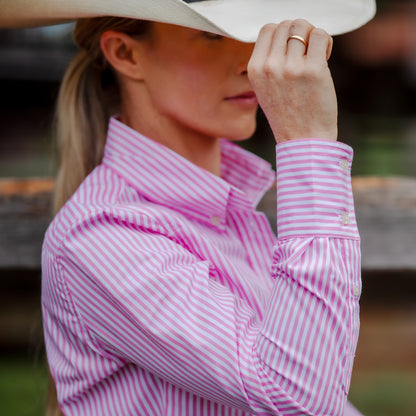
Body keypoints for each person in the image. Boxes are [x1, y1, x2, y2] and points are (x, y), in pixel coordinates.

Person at [1, 1, 376, 415]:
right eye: (214, 36)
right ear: (125, 54)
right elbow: (298, 398)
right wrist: (309, 144)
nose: (250, 62)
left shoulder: (227, 208)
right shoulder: (103, 236)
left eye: (254, 34)